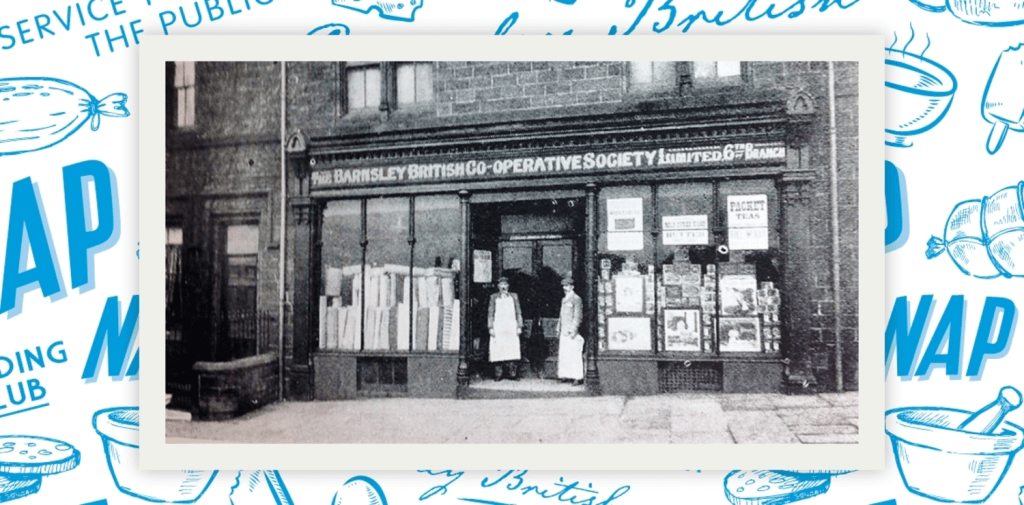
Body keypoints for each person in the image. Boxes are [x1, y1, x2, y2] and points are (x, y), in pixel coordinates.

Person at [487, 277, 523, 381]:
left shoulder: (514, 296)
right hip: (499, 327)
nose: (503, 287)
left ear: (508, 286)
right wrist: (491, 327)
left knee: (512, 350)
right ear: (498, 286)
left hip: (511, 327)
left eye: (505, 284)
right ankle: (498, 374)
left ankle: (513, 374)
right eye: (501, 284)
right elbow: (490, 313)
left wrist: (519, 326)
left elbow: (518, 312)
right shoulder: (494, 297)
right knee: (498, 350)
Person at [556, 277, 585, 385]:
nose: (565, 288)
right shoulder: (564, 299)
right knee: (564, 354)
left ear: (572, 287)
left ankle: (577, 377)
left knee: (574, 354)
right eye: (564, 286)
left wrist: (573, 330)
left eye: (567, 286)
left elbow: (577, 316)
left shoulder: (576, 299)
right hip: (564, 331)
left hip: (571, 332)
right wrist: (558, 328)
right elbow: (561, 315)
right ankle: (565, 375)